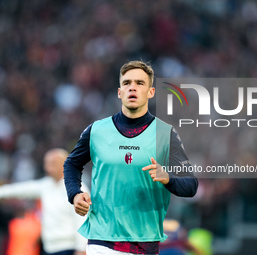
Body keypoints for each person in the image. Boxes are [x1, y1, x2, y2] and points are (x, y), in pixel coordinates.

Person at [63, 60, 198, 255]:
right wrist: (75, 194)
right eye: (127, 83)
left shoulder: (165, 134)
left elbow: (191, 185)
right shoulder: (96, 131)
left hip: (144, 242)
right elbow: (72, 164)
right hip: (102, 239)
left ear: (150, 92)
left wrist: (168, 178)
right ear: (120, 92)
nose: (132, 87)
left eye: (140, 83)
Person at [0, 148, 89, 255]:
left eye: (52, 164)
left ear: (65, 164)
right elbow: (23, 189)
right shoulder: (46, 185)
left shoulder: (78, 189)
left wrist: (81, 248)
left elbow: (82, 220)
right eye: (46, 164)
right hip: (49, 248)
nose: (47, 168)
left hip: (69, 248)